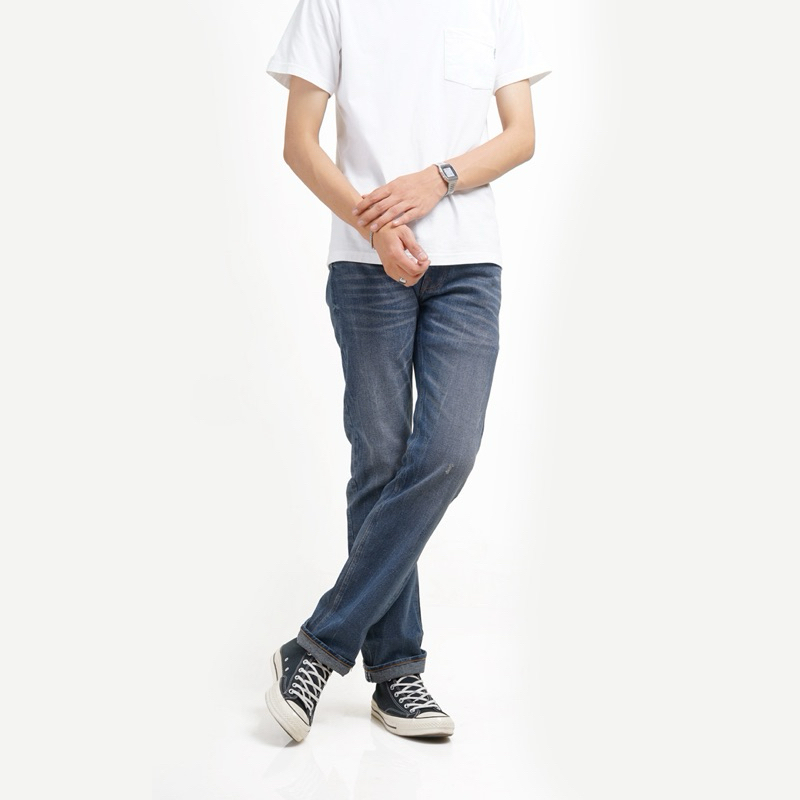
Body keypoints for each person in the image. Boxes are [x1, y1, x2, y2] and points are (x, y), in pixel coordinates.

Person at [264, 0, 551, 742]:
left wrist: (439, 178)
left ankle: (315, 647)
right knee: (382, 460)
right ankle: (397, 676)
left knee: (449, 450)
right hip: (366, 267)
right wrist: (379, 228)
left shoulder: (494, 7)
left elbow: (520, 135)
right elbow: (300, 144)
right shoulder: (330, 5)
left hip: (468, 266)